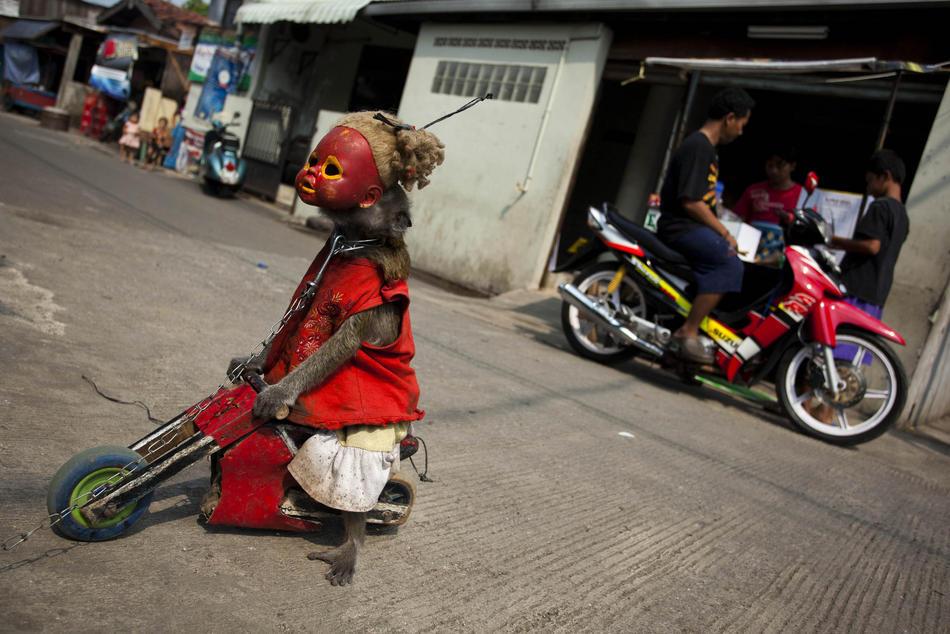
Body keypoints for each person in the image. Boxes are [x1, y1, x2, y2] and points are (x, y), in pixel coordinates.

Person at [658, 87, 755, 363]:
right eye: (742, 124)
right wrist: (724, 233)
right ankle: (686, 331)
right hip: (680, 227)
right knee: (729, 263)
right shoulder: (698, 147)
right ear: (730, 118)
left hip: (691, 228)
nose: (740, 132)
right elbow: (691, 202)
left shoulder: (707, 150)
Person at [830, 149, 909, 320]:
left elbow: (872, 246)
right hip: (877, 296)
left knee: (838, 339)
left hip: (855, 289)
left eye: (870, 181)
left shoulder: (880, 207)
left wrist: (834, 240)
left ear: (884, 176)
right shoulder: (903, 216)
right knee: (857, 343)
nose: (868, 188)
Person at [733, 146, 805, 263]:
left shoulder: (802, 196)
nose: (774, 170)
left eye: (780, 165)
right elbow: (737, 220)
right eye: (770, 165)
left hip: (784, 256)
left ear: (792, 166)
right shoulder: (753, 190)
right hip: (751, 250)